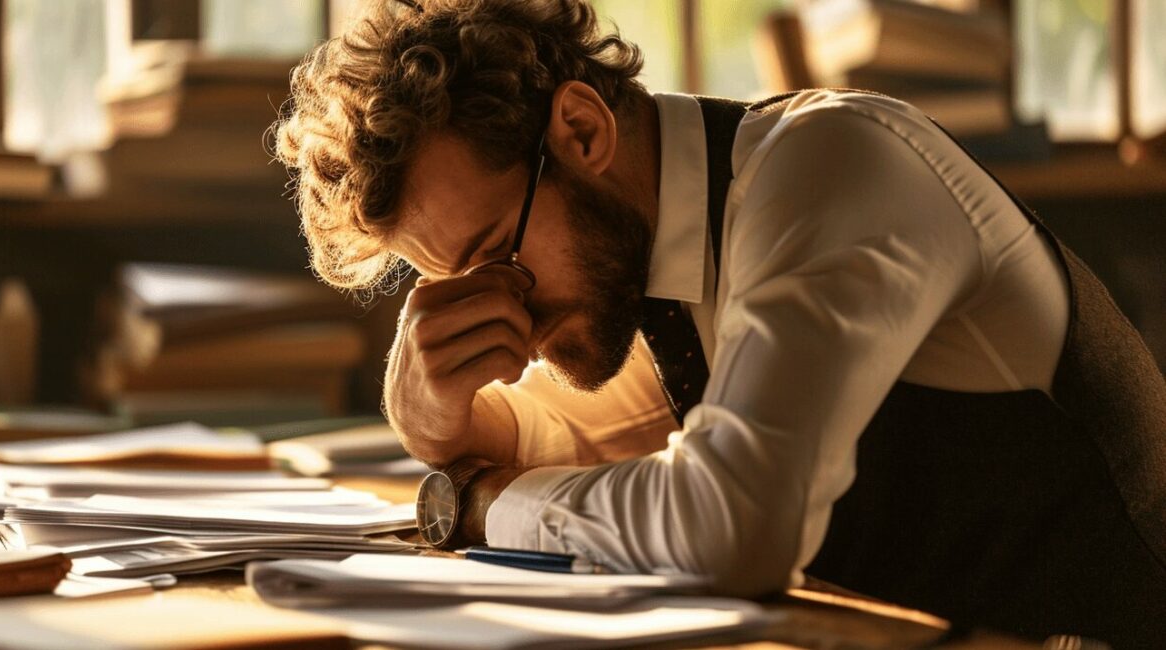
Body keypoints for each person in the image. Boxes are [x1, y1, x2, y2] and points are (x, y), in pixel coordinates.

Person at [272, 0, 1166, 645]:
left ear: (581, 130)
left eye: (497, 259)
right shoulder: (650, 261)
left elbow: (734, 527)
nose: (503, 310)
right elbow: (566, 436)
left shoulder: (831, 170)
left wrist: (474, 504)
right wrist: (439, 423)